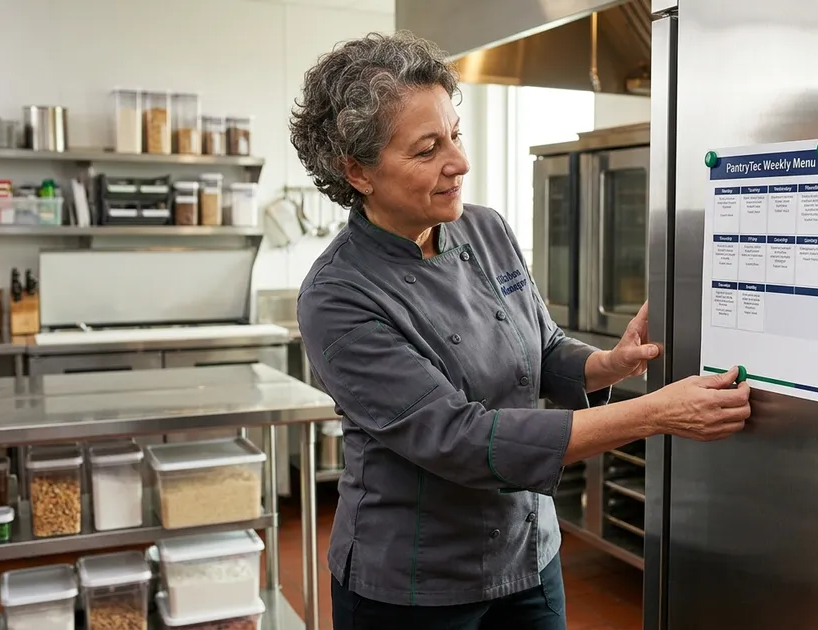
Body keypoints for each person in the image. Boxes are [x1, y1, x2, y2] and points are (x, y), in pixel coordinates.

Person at [292, 31, 752, 630]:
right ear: (356, 170)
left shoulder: (486, 230)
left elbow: (544, 349)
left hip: (529, 556)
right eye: (427, 149)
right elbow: (460, 439)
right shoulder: (337, 294)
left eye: (455, 134)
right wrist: (655, 414)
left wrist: (613, 363)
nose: (458, 161)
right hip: (415, 584)